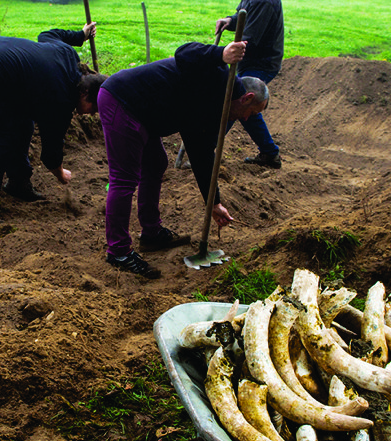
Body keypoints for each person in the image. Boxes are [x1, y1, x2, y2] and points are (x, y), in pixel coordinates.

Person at [98, 39, 269, 279]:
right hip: (124, 100)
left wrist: (214, 203)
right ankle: (118, 251)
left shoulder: (215, 114)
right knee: (124, 179)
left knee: (156, 163)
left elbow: (202, 157)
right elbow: (184, 52)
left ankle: (151, 233)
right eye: (253, 112)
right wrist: (222, 53)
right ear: (247, 98)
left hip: (146, 115)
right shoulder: (217, 74)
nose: (249, 119)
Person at [0, 23, 105, 225]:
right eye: (94, 108)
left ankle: (18, 183)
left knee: (24, 123)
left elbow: (47, 34)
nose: (92, 114)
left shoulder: (68, 55)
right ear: (85, 93)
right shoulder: (61, 99)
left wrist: (80, 35)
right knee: (0, 138)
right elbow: (50, 152)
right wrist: (60, 174)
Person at [214, 0, 285, 169]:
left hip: (261, 62)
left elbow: (249, 40)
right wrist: (230, 20)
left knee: (240, 101)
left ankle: (205, 149)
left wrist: (221, 55)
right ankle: (269, 153)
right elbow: (244, 16)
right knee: (243, 103)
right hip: (250, 59)